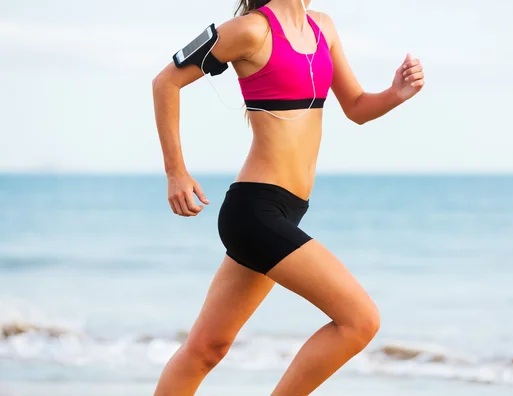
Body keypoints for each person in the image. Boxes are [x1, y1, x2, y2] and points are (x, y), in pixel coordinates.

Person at [151, 0, 424, 394]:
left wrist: (396, 93)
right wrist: (176, 172)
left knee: (207, 348)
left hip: (286, 211)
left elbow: (358, 108)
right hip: (255, 212)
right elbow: (165, 82)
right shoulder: (251, 30)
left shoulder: (323, 28)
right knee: (360, 320)